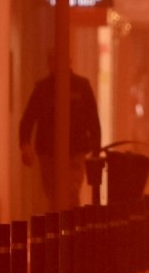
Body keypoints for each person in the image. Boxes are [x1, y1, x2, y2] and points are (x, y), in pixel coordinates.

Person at [19, 50, 102, 211]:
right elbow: (28, 119)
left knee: (71, 191)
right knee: (53, 194)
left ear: (68, 62)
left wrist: (96, 152)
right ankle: (60, 223)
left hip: (75, 151)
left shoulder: (81, 86)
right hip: (49, 153)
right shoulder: (42, 89)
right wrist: (25, 144)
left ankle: (68, 222)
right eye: (52, 61)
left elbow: (93, 121)